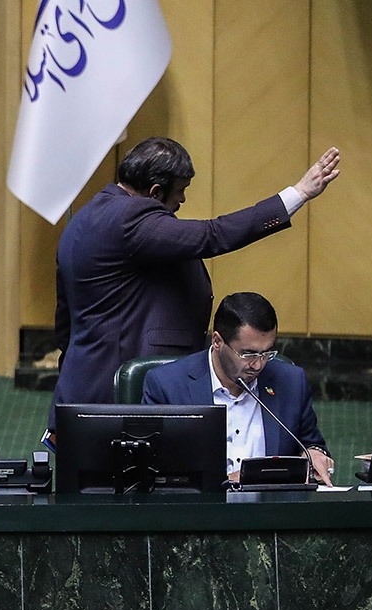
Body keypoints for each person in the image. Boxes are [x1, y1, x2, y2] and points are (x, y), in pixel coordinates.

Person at [49, 137, 340, 430]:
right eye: (181, 190)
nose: (183, 200)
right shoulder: (130, 218)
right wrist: (299, 193)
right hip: (119, 397)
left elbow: (65, 320)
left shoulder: (83, 219)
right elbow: (213, 235)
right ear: (155, 191)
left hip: (80, 385)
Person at [142, 291, 333, 485]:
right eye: (248, 354)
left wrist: (315, 454)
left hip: (271, 502)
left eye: (267, 353)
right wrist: (225, 481)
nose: (258, 365)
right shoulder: (167, 385)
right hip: (201, 503)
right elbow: (150, 470)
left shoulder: (291, 382)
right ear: (217, 341)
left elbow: (310, 443)